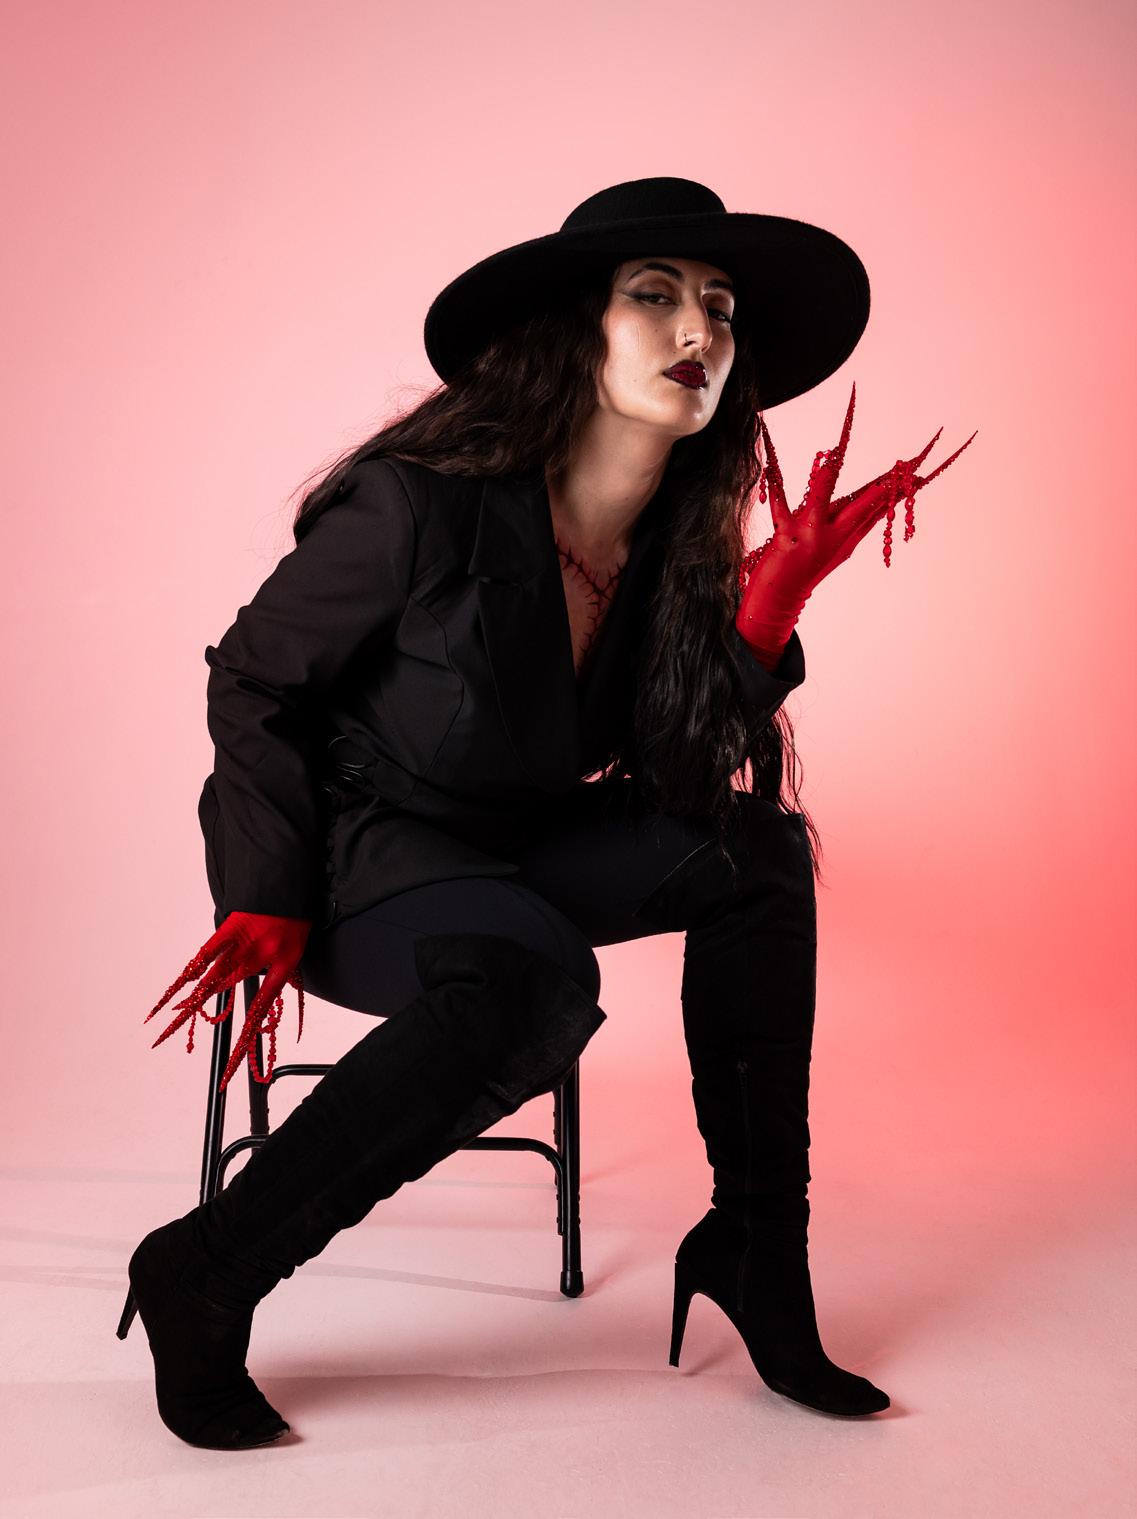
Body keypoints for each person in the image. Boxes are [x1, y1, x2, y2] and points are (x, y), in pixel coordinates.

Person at [124, 176, 975, 1450]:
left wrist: (763, 616)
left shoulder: (670, 545)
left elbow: (672, 774)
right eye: (655, 296)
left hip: (510, 838)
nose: (698, 329)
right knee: (537, 983)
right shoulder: (418, 501)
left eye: (720, 307)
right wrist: (270, 886)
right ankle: (203, 1269)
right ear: (577, 332)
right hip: (353, 850)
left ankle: (756, 1246)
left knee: (758, 852)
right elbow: (251, 680)